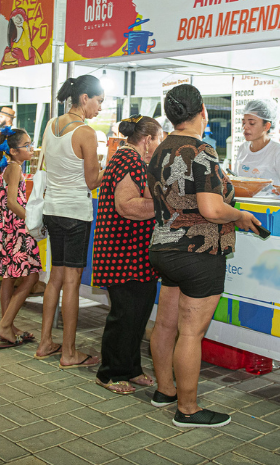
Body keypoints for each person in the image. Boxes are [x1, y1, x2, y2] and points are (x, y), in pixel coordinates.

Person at [147, 84, 261, 428]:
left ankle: (165, 390)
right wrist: (239, 215)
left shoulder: (160, 149)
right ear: (203, 113)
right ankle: (188, 409)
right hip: (198, 251)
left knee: (166, 324)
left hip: (164, 248)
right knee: (191, 333)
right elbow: (211, 209)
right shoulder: (201, 151)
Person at [34, 75, 105, 367]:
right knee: (72, 284)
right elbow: (91, 182)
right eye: (99, 101)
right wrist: (109, 165)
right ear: (85, 98)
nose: (100, 108)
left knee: (55, 278)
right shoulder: (86, 133)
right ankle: (68, 352)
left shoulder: (51, 124)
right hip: (75, 213)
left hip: (52, 209)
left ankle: (45, 342)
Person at [92, 115, 162, 395]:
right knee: (124, 315)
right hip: (122, 251)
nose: (159, 145)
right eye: (158, 139)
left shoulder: (130, 159)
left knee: (138, 314)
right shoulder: (127, 160)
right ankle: (109, 373)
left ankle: (131, 368)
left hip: (134, 252)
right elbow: (127, 206)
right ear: (147, 141)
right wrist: (164, 205)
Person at [0, 126, 41, 349]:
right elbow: (12, 202)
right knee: (30, 277)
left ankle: (7, 326)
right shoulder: (15, 169)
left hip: (4, 228)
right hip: (14, 229)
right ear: (12, 151)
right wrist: (32, 220)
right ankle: (5, 324)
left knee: (9, 278)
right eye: (26, 145)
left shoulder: (7, 167)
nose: (31, 148)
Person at [233, 99, 280, 198]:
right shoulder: (242, 149)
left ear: (267, 126)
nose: (245, 127)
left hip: (269, 209)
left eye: (251, 123)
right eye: (243, 123)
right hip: (244, 205)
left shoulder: (278, 150)